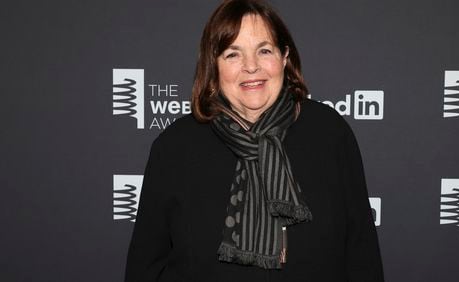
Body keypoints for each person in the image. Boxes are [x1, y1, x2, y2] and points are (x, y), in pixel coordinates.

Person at [125, 0, 384, 281]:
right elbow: (146, 267)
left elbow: (362, 254)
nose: (251, 67)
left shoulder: (330, 133)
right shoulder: (174, 148)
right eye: (232, 54)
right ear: (214, 66)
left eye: (264, 50)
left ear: (285, 56)